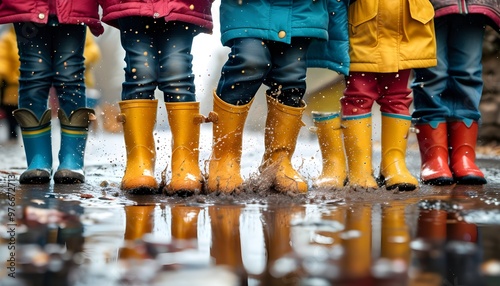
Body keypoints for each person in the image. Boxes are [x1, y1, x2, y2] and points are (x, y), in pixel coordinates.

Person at [207, 0, 349, 194]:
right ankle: (224, 158)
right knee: (249, 61)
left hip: (303, 10)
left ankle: (278, 161)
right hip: (249, 8)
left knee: (292, 76)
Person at [98, 0, 214, 195]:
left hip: (182, 4)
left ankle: (185, 163)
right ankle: (139, 160)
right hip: (133, 5)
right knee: (140, 71)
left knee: (177, 70)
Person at [0, 0, 104, 184]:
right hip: (26, 6)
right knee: (33, 76)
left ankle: (72, 160)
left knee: (70, 75)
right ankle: (38, 160)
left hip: (75, 7)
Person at [340, 0, 437, 191]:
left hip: (407, 25)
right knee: (358, 96)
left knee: (398, 96)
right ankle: (360, 167)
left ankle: (393, 163)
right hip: (364, 25)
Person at [411, 1, 500, 186]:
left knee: (468, 73)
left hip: (475, 5)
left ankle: (464, 157)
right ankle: (434, 157)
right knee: (431, 73)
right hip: (429, 6)